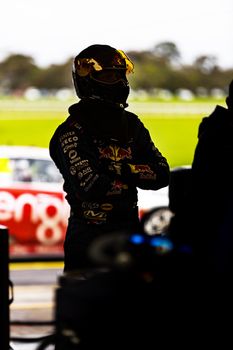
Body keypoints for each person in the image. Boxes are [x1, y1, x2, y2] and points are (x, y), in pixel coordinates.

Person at [49, 44, 170, 272]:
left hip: (129, 231)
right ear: (87, 80)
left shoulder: (132, 125)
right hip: (88, 236)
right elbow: (92, 185)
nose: (120, 83)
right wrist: (136, 174)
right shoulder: (71, 132)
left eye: (120, 75)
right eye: (109, 75)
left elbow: (162, 174)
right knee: (87, 304)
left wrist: (117, 169)